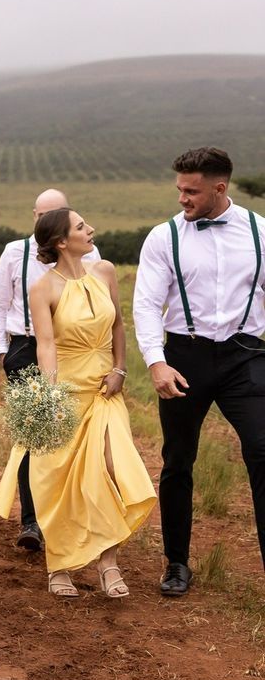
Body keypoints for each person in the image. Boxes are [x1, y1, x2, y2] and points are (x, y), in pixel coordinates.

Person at [0, 209, 155, 597]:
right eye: (82, 226)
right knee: (58, 482)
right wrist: (49, 397)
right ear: (62, 241)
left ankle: (108, 562)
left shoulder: (106, 272)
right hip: (66, 392)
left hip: (105, 392)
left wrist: (120, 369)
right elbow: (45, 344)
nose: (91, 229)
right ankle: (60, 565)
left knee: (114, 470)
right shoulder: (43, 287)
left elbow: (118, 325)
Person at [133, 147, 265, 596]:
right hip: (184, 359)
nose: (182, 199)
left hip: (245, 356)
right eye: (180, 190)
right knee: (178, 459)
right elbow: (147, 304)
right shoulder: (163, 237)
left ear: (219, 188)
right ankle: (176, 563)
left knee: (263, 451)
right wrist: (156, 362)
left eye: (191, 191)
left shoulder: (258, 231)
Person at [0, 188, 102, 552]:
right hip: (25, 347)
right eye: (40, 215)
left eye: (56, 214)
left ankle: (70, 515)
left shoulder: (91, 253)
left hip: (71, 352)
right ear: (34, 216)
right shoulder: (13, 252)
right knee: (33, 436)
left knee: (71, 433)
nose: (45, 221)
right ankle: (32, 521)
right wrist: (3, 352)